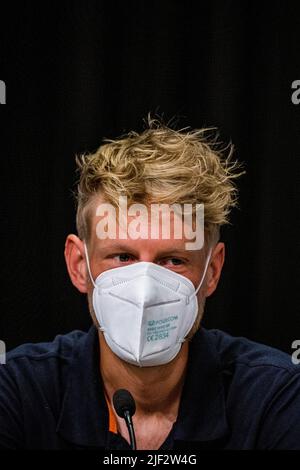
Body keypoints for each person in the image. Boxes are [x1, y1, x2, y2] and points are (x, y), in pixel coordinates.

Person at [1, 118, 300, 450]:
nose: (145, 289)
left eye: (172, 260)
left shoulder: (275, 396)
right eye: (122, 257)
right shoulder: (18, 390)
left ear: (212, 271)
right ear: (79, 265)